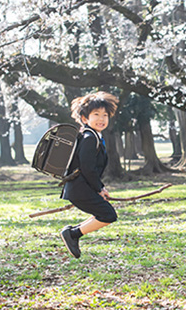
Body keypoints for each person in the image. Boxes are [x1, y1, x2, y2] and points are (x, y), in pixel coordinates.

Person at [59, 91, 119, 258]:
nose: (101, 119)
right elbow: (87, 167)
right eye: (96, 114)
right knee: (108, 215)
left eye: (105, 115)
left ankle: (72, 233)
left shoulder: (93, 136)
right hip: (79, 188)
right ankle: (72, 234)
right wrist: (99, 188)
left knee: (104, 214)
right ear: (85, 118)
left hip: (79, 188)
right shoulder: (89, 137)